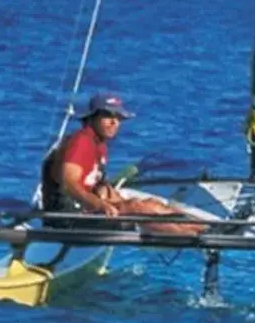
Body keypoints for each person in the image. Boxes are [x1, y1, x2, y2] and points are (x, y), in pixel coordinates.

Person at [41, 95, 200, 235]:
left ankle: (202, 227)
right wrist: (100, 204)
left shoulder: (99, 145)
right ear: (91, 118)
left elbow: (101, 185)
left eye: (118, 117)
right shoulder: (81, 142)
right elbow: (69, 184)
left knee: (149, 203)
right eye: (107, 116)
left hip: (86, 212)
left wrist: (119, 201)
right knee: (138, 208)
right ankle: (195, 235)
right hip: (66, 220)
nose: (114, 122)